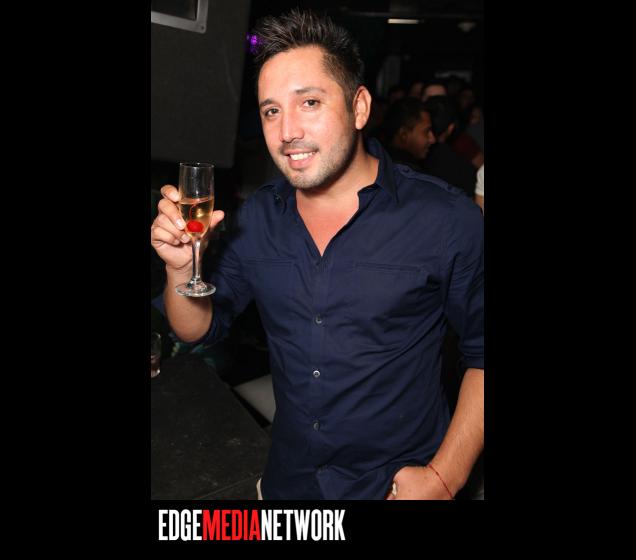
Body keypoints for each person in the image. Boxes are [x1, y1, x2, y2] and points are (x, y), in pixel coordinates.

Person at [151, 9, 484, 500]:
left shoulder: (447, 219)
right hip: (290, 484)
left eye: (309, 102)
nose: (287, 130)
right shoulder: (257, 218)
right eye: (271, 110)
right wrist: (181, 269)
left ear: (359, 107)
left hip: (394, 486)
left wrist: (444, 478)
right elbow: (195, 328)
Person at [379, 97, 436, 171]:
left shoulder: (380, 161)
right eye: (426, 131)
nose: (432, 139)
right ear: (404, 134)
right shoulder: (407, 173)